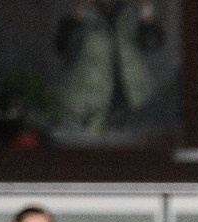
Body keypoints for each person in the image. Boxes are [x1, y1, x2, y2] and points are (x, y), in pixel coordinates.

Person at [55, 1, 166, 134]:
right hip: (87, 101)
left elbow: (152, 43)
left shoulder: (131, 13)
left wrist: (146, 13)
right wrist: (77, 14)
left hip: (130, 99)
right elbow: (63, 45)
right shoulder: (83, 14)